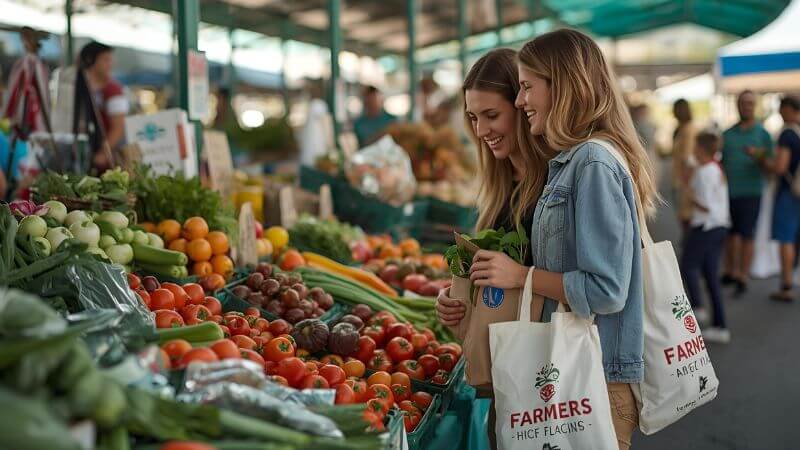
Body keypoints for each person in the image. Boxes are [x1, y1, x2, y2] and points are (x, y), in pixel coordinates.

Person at [451, 29, 657, 450]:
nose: (523, 101)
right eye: (474, 118)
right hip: (553, 368)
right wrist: (468, 311)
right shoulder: (571, 164)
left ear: (562, 85)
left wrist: (520, 276)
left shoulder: (589, 163)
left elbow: (605, 290)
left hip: (588, 374)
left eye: (526, 89)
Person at [434, 48, 553, 448]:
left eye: (491, 115)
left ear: (522, 106)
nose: (482, 130)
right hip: (511, 378)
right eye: (473, 117)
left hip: (553, 376)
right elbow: (496, 283)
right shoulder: (499, 187)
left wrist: (519, 275)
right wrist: (458, 302)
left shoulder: (557, 185)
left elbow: (594, 285)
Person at [720, 90, 773, 296]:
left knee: (746, 234)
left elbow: (772, 167)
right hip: (728, 192)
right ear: (737, 105)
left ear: (755, 106)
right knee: (730, 234)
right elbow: (720, 162)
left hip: (751, 191)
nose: (746, 107)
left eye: (750, 103)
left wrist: (759, 157)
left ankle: (743, 275)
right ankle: (731, 271)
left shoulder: (763, 134)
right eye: (743, 103)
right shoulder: (727, 134)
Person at [680, 132, 731, 343]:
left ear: (700, 148)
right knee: (711, 275)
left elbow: (705, 203)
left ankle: (698, 307)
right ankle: (721, 326)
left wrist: (689, 196)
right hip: (720, 226)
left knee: (687, 265)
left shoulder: (704, 172)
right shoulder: (715, 168)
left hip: (706, 225)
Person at [78, 41, 129, 171]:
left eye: (110, 60)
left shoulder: (113, 90)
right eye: (105, 60)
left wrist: (102, 154)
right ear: (90, 60)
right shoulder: (80, 89)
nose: (110, 65)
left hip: (108, 163)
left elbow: (118, 128)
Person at [768, 96, 800, 302]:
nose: (780, 113)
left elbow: (780, 167)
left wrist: (762, 160)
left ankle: (786, 284)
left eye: (781, 109)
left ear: (789, 109)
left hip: (790, 191)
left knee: (786, 238)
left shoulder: (788, 134)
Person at [672, 98, 697, 232]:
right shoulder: (682, 129)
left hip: (684, 182)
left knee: (687, 219)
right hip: (680, 180)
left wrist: (685, 185)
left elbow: (688, 158)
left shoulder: (688, 130)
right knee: (684, 219)